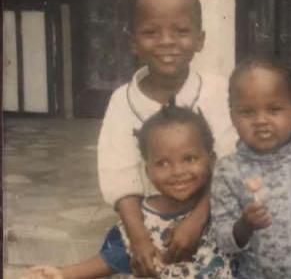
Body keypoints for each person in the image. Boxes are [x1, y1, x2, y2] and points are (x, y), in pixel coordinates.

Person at [97, 0, 236, 276]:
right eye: (151, 32)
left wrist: (197, 220)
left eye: (181, 31)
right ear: (133, 42)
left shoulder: (217, 92)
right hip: (148, 225)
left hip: (214, 216)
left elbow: (230, 164)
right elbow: (119, 177)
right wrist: (139, 239)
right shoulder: (122, 101)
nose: (167, 42)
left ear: (200, 39)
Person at [22, 106, 234, 279]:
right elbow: (111, 258)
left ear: (212, 161)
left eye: (189, 159)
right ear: (147, 171)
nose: (178, 172)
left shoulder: (224, 206)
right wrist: (62, 274)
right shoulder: (144, 219)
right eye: (163, 163)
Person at [210, 58, 291, 278]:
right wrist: (244, 225)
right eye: (248, 112)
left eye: (274, 109)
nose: (261, 120)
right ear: (233, 117)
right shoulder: (227, 171)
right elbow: (224, 240)